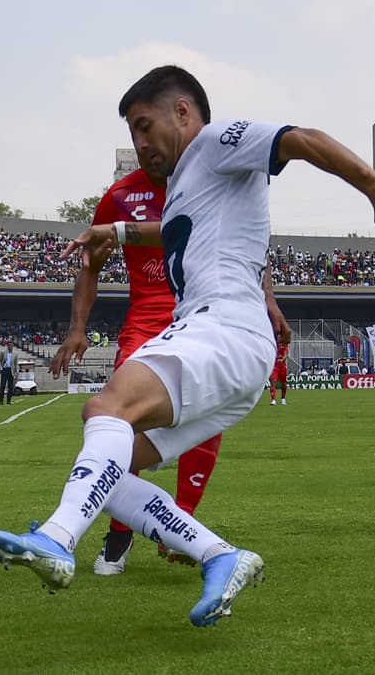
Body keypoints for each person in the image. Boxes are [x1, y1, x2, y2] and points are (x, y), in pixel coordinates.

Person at [0, 64, 375, 626]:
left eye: (145, 126)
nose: (140, 143)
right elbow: (171, 227)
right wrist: (115, 232)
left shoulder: (216, 143)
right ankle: (220, 556)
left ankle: (55, 539)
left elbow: (301, 140)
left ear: (183, 112)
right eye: (132, 134)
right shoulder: (191, 183)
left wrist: (369, 182)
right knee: (111, 469)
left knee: (105, 407)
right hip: (233, 350)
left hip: (222, 328)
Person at [48, 148, 291, 576]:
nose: (146, 143)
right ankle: (118, 535)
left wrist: (267, 300)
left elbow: (249, 249)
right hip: (145, 320)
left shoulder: (208, 179)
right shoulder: (120, 195)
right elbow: (91, 263)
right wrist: (76, 327)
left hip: (203, 315)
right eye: (136, 132)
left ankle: (182, 521)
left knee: (202, 421)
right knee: (116, 423)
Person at [269, 340, 289, 406]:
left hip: (282, 367)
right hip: (274, 366)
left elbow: (286, 354)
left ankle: (283, 399)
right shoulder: (273, 344)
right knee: (273, 382)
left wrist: (283, 359)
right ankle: (273, 399)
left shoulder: (285, 344)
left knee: (284, 383)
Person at [0, 341, 17, 405]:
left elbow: (15, 363)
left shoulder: (15, 354)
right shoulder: (3, 352)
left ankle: (8, 400)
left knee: (10, 386)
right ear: (7, 346)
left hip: (11, 371)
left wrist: (16, 372)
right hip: (5, 369)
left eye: (11, 345)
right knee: (2, 386)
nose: (10, 347)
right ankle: (1, 400)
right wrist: (1, 368)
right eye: (9, 345)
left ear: (13, 346)